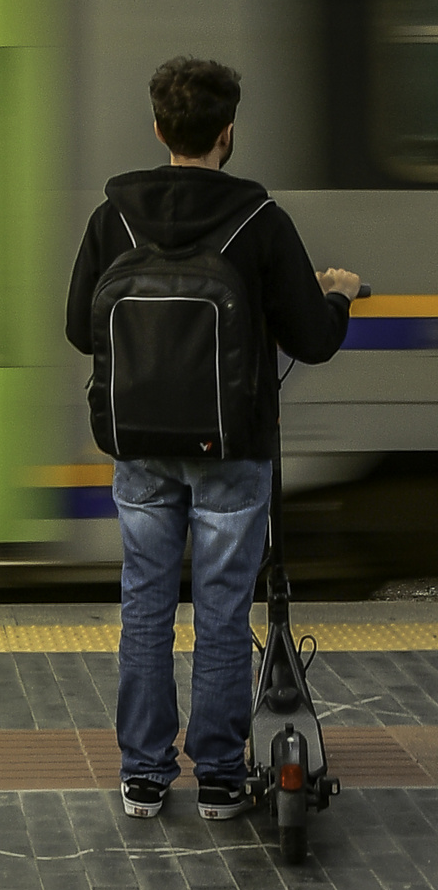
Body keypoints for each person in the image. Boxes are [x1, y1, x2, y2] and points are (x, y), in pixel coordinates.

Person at [65, 57, 361, 820]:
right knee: (224, 611)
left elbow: (77, 328)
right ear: (228, 134)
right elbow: (312, 339)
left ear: (158, 128)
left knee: (146, 605)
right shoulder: (260, 222)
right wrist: (335, 296)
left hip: (139, 445)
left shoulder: (114, 219)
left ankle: (143, 774)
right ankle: (222, 776)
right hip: (233, 449)